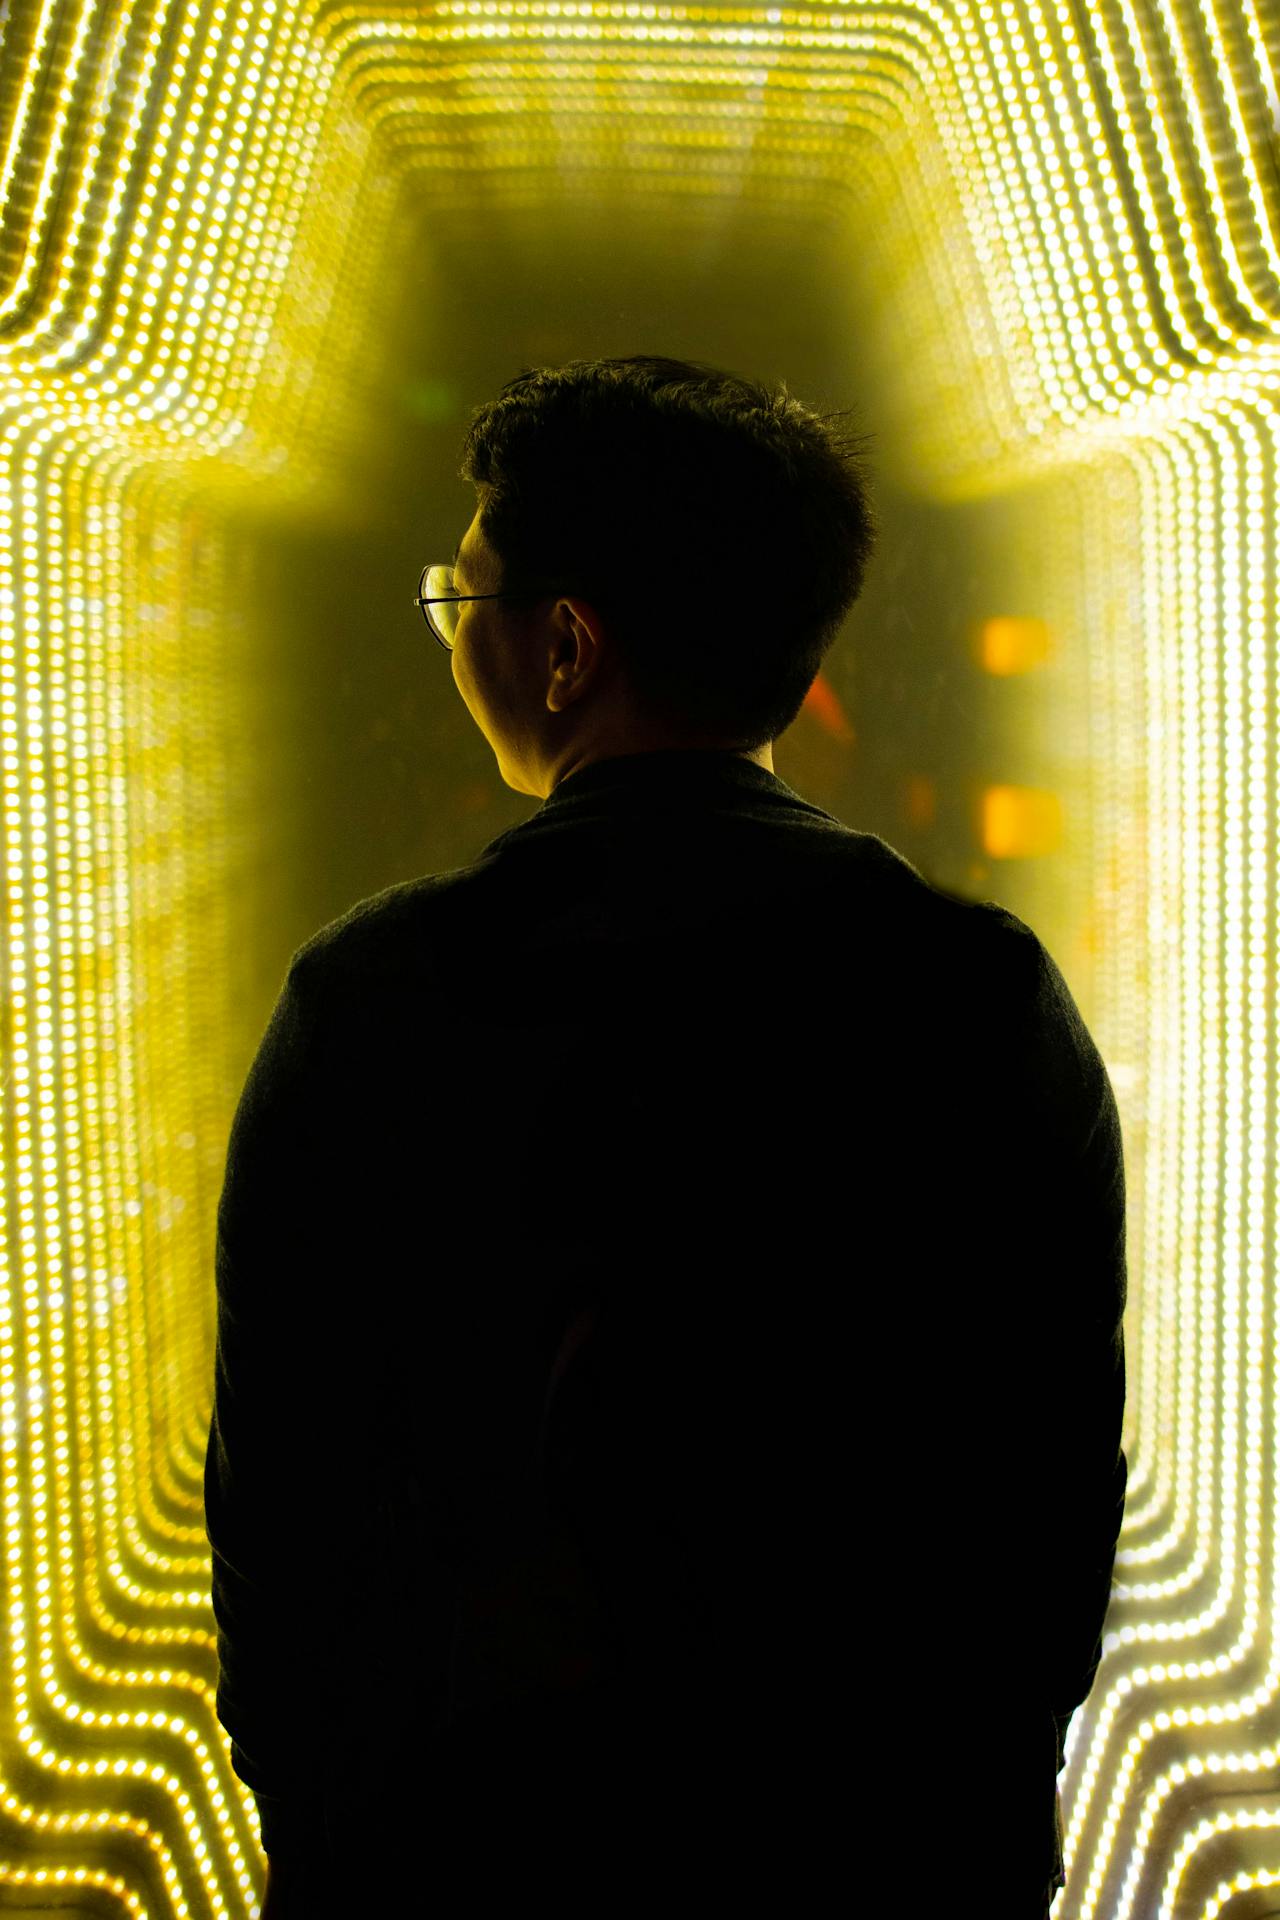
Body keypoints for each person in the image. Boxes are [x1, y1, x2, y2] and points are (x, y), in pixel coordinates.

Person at [203, 354, 1127, 1916]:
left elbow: (289, 1513)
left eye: (462, 596)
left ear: (567, 646)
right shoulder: (979, 1002)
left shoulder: (376, 1002)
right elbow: (1041, 1526)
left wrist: (336, 1823)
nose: (451, 629)